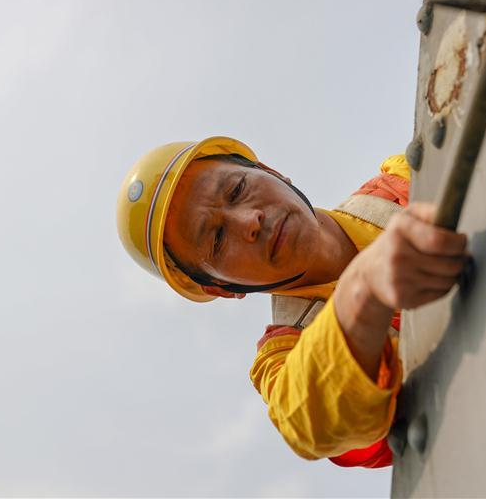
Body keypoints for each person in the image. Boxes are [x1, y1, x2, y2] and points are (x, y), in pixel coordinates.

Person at [116, 137, 468, 468]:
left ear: (270, 171)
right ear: (219, 288)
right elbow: (309, 421)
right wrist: (363, 291)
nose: (249, 221)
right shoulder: (283, 360)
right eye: (218, 238)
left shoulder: (404, 179)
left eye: (237, 189)